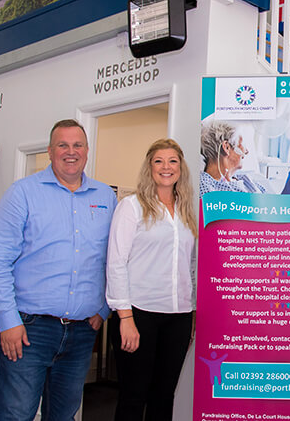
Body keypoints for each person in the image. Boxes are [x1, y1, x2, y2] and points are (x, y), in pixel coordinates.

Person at [0, 119, 116, 420]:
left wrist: (104, 308)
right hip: (28, 329)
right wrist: (8, 321)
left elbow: (113, 259)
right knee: (15, 414)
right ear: (50, 151)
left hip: (82, 331)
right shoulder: (22, 193)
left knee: (63, 416)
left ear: (87, 150)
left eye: (77, 145)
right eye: (63, 145)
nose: (71, 152)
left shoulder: (105, 197)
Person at [106, 138, 198, 420]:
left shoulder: (187, 210)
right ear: (149, 167)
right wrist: (125, 318)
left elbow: (191, 265)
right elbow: (116, 262)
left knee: (164, 396)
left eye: (172, 161)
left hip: (179, 316)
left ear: (181, 168)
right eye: (159, 161)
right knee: (134, 396)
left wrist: (193, 310)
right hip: (138, 315)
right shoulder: (132, 206)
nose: (166, 167)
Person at [200, 121, 266, 195]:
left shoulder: (245, 179)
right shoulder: (205, 185)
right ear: (226, 147)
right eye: (242, 144)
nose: (247, 151)